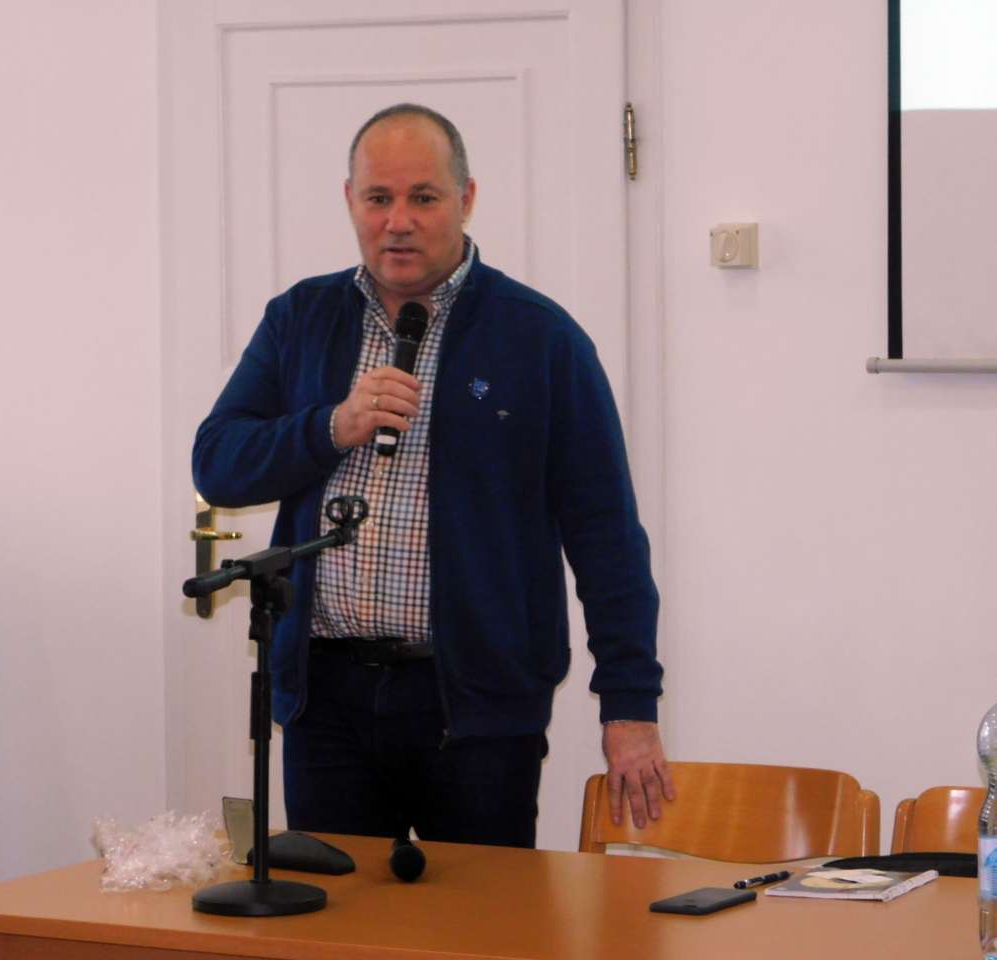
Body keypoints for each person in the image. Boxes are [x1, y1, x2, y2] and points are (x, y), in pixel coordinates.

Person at [192, 103, 673, 848]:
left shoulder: (540, 338)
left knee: (479, 912)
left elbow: (605, 534)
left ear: (466, 198)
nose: (398, 222)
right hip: (327, 699)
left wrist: (630, 704)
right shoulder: (301, 318)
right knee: (340, 910)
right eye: (378, 198)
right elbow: (218, 461)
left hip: (478, 705)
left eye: (423, 197)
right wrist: (331, 426)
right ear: (349, 201)